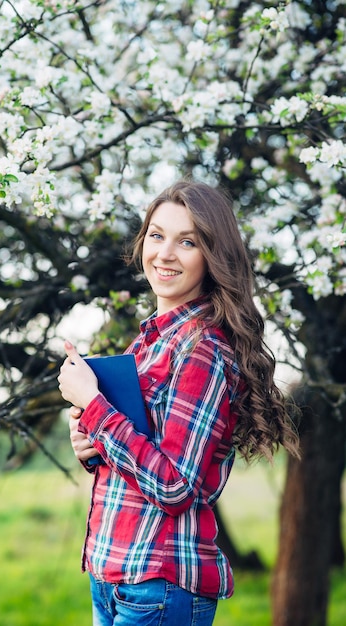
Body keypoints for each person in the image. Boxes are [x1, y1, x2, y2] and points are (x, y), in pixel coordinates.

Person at [57, 180, 300, 626]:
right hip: (112, 576)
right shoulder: (149, 341)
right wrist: (90, 444)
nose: (165, 254)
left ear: (211, 257)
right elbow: (138, 457)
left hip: (158, 587)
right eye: (157, 235)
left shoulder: (201, 349)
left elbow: (174, 486)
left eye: (186, 241)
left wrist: (93, 404)